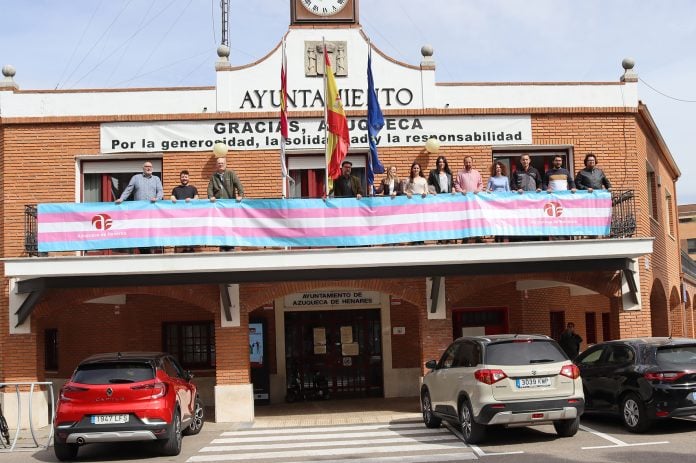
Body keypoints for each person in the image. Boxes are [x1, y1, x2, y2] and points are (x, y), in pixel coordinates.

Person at [115, 161, 164, 254]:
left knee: (151, 231)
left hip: (151, 212)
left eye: (150, 166)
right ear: (143, 168)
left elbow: (161, 192)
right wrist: (121, 199)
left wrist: (157, 198)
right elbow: (128, 190)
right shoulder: (136, 178)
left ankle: (151, 252)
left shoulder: (156, 179)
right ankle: (142, 252)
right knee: (140, 231)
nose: (148, 168)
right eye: (146, 166)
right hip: (139, 213)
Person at [207, 157, 244, 251]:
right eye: (219, 163)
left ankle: (231, 246)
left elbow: (239, 185)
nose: (220, 164)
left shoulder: (231, 173)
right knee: (220, 226)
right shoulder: (214, 176)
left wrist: (240, 195)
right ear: (216, 165)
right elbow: (209, 189)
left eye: (222, 163)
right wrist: (210, 196)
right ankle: (222, 246)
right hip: (219, 207)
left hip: (229, 206)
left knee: (230, 225)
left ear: (226, 164)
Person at [171, 170, 199, 253]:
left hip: (191, 215)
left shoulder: (193, 188)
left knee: (190, 231)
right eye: (182, 177)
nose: (184, 178)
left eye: (186, 177)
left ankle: (190, 248)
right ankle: (183, 247)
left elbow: (197, 198)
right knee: (181, 231)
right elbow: (172, 198)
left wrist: (191, 199)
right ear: (180, 178)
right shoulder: (176, 189)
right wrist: (174, 200)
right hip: (180, 215)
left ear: (188, 178)